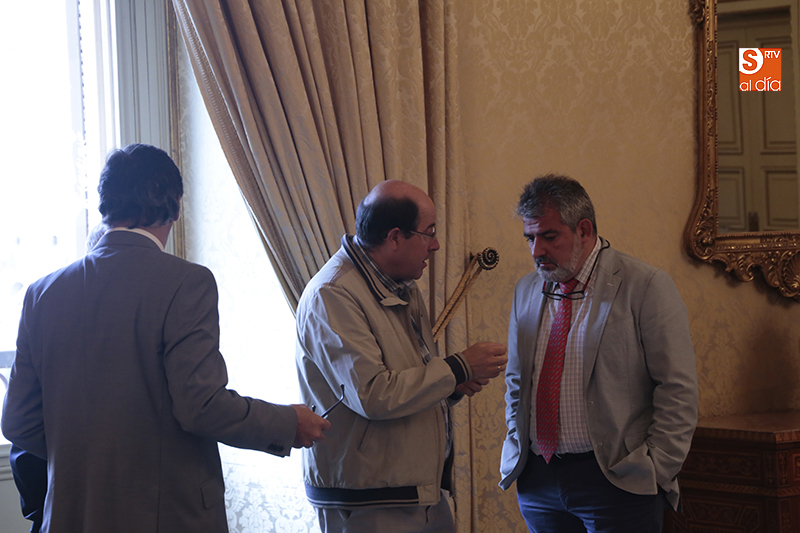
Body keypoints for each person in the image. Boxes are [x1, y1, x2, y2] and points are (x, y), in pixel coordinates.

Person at [2, 143, 330, 532]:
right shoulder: (187, 282)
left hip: (71, 514)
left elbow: (19, 422)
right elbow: (201, 406)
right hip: (166, 515)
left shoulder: (42, 293)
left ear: (106, 204)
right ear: (175, 206)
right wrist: (287, 423)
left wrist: (84, 457)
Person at [296, 179, 508, 532]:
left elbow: (407, 378)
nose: (436, 245)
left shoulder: (400, 285)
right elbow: (373, 394)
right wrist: (457, 367)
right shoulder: (332, 293)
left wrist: (452, 385)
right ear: (394, 237)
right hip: (369, 499)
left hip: (418, 490)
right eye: (429, 233)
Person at [499, 175, 698, 533]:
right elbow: (517, 381)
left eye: (549, 236)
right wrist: (518, 442)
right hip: (539, 480)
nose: (536, 251)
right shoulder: (526, 289)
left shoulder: (645, 285)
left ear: (584, 230)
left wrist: (657, 468)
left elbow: (677, 388)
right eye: (530, 238)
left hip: (618, 480)